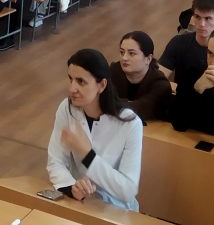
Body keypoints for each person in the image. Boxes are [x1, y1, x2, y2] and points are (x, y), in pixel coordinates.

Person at [47, 48, 143, 211]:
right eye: (70, 79)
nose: (72, 89)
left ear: (102, 85)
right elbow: (55, 162)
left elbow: (127, 190)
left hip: (116, 210)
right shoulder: (67, 108)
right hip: (78, 204)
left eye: (81, 81)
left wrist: (87, 155)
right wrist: (72, 188)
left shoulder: (131, 124)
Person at [159, 0, 214, 89]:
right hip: (183, 95)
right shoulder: (178, 42)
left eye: (208, 18)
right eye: (197, 17)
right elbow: (158, 78)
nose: (202, 24)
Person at [109, 31, 171, 122]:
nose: (124, 58)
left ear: (148, 59)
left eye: (131, 53)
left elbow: (140, 110)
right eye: (122, 52)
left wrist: (113, 103)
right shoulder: (113, 72)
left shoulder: (161, 84)